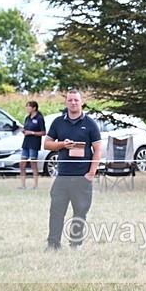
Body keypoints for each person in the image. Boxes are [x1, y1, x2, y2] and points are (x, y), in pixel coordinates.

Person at [44, 90, 102, 251]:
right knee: (56, 211)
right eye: (70, 100)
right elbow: (47, 144)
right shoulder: (58, 122)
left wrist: (91, 174)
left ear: (82, 102)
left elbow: (97, 150)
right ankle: (53, 244)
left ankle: (76, 244)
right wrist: (62, 144)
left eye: (76, 100)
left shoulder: (90, 124)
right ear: (66, 103)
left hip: (82, 176)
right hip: (62, 176)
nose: (73, 103)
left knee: (80, 211)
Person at [19, 100, 46, 190]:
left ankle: (35, 185)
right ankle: (23, 185)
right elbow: (26, 128)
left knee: (33, 164)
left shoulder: (39, 118)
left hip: (34, 144)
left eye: (29, 106)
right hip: (26, 143)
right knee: (22, 164)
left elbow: (43, 132)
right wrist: (24, 131)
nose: (27, 108)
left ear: (34, 108)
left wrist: (32, 132)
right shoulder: (27, 118)